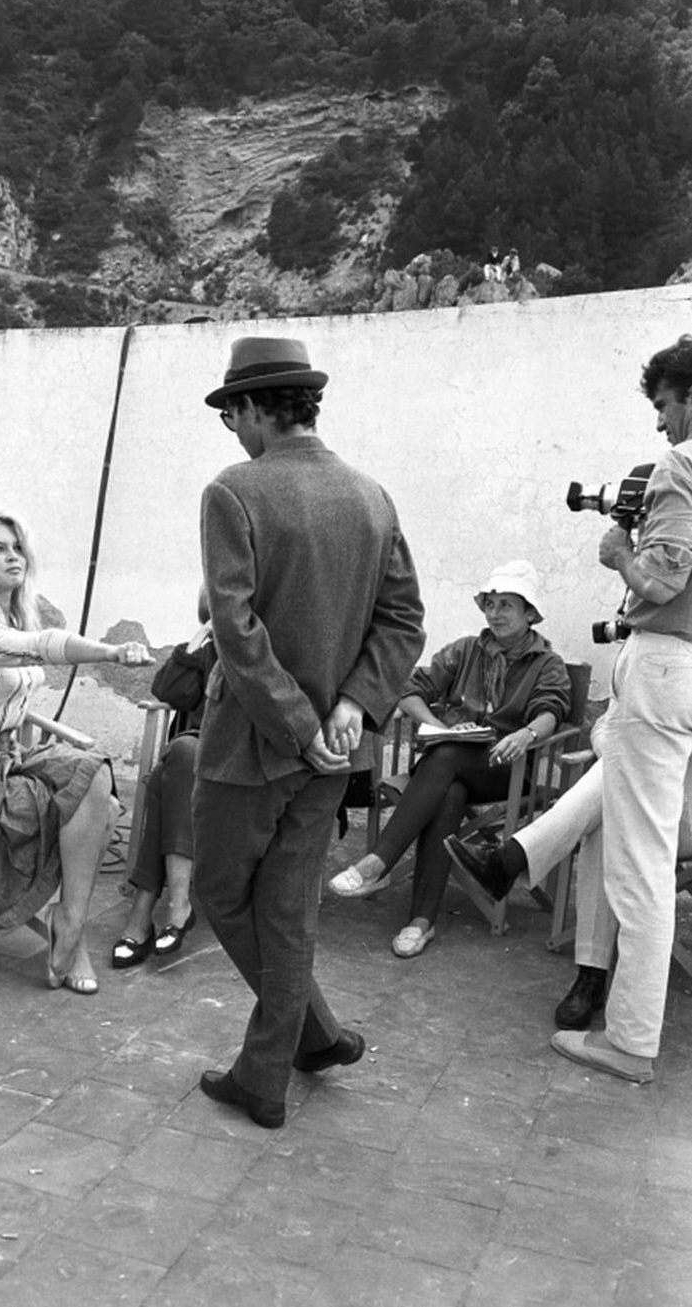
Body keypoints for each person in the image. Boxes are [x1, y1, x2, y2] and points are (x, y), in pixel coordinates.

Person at [192, 335, 425, 1129]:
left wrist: (297, 724)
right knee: (286, 912)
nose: (232, 428)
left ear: (253, 407)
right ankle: (300, 1047)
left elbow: (234, 627)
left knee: (220, 892)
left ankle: (289, 1055)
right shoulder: (371, 496)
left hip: (250, 745)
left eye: (231, 413)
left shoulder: (233, 491)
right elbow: (404, 620)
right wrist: (353, 707)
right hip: (336, 750)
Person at [0, 508, 152, 995]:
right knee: (101, 810)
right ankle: (72, 937)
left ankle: (70, 921)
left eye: (17, 547)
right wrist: (111, 652)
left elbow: (23, 665)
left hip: (6, 757)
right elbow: (40, 646)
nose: (13, 557)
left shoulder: (11, 618)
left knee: (96, 776)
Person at [547, 334, 692, 1084]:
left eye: (665, 404)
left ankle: (630, 1041)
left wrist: (619, 555)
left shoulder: (680, 465)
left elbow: (661, 583)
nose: (661, 423)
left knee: (638, 865)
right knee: (646, 852)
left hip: (665, 660)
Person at [329, 561, 570, 959]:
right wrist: (439, 726)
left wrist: (525, 735)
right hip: (447, 769)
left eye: (506, 605)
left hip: (503, 768)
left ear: (530, 613)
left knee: (445, 757)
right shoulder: (466, 650)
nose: (495, 613)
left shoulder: (547, 663)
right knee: (449, 790)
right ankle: (420, 922)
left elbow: (551, 711)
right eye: (490, 603)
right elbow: (410, 689)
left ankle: (379, 862)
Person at [447, 721, 692, 1030]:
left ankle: (513, 859)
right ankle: (591, 978)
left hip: (680, 814)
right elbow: (606, 722)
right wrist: (615, 748)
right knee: (612, 809)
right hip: (632, 795)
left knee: (619, 783)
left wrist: (628, 753)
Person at [112, 588, 216, 968]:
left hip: (238, 757)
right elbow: (168, 690)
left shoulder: (267, 650)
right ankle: (177, 906)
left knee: (165, 776)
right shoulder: (208, 652)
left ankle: (142, 913)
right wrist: (200, 638)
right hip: (193, 759)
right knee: (179, 759)